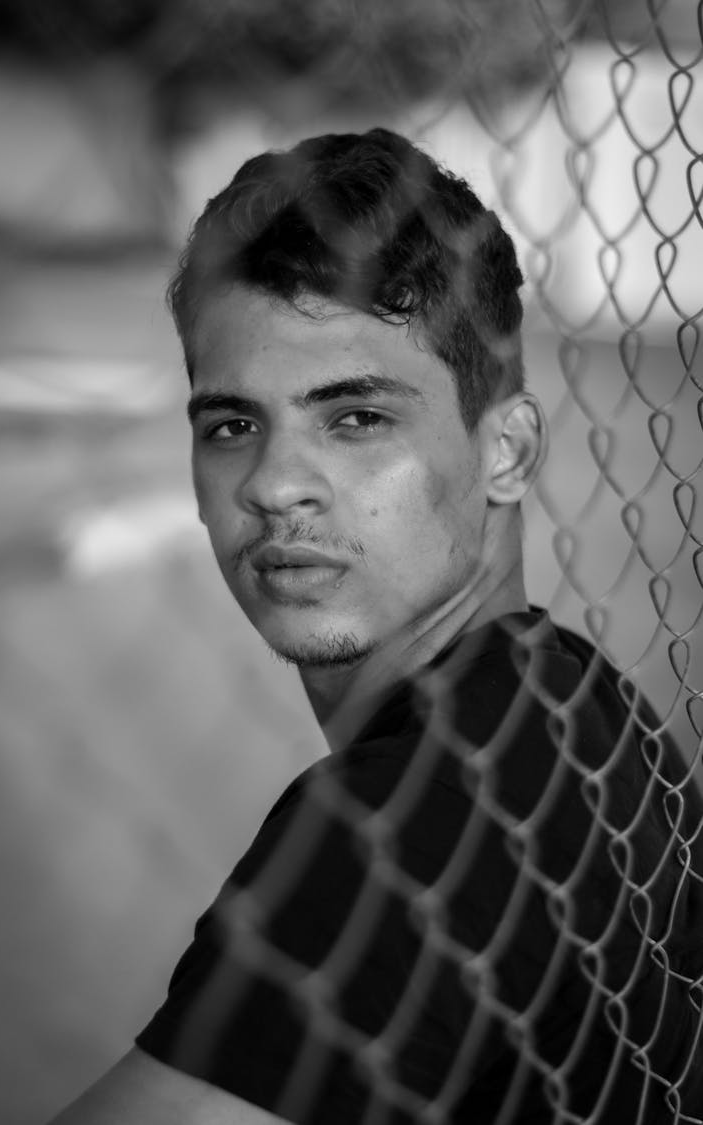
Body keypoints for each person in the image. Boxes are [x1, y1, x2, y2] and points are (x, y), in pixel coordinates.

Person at [49, 128, 703, 1124]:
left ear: (507, 451)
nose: (271, 486)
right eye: (232, 425)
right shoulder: (574, 697)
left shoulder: (407, 823)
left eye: (356, 419)